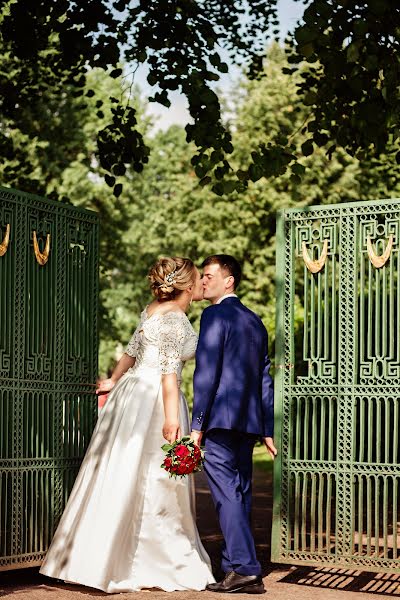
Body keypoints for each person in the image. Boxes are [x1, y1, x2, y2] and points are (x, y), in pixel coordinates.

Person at [40, 257, 215, 593]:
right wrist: (173, 418)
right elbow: (168, 374)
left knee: (116, 471)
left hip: (131, 394)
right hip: (154, 400)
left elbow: (132, 350)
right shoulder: (176, 319)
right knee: (156, 477)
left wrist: (113, 380)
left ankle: (94, 559)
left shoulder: (151, 309)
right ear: (188, 287)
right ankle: (151, 560)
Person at [190, 254, 277, 595]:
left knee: (227, 495)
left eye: (209, 275)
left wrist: (198, 424)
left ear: (229, 281)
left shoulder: (213, 315)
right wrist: (267, 428)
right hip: (248, 422)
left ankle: (244, 567)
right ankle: (235, 568)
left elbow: (207, 372)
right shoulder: (255, 321)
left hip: (221, 421)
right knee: (239, 493)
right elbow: (264, 380)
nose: (203, 281)